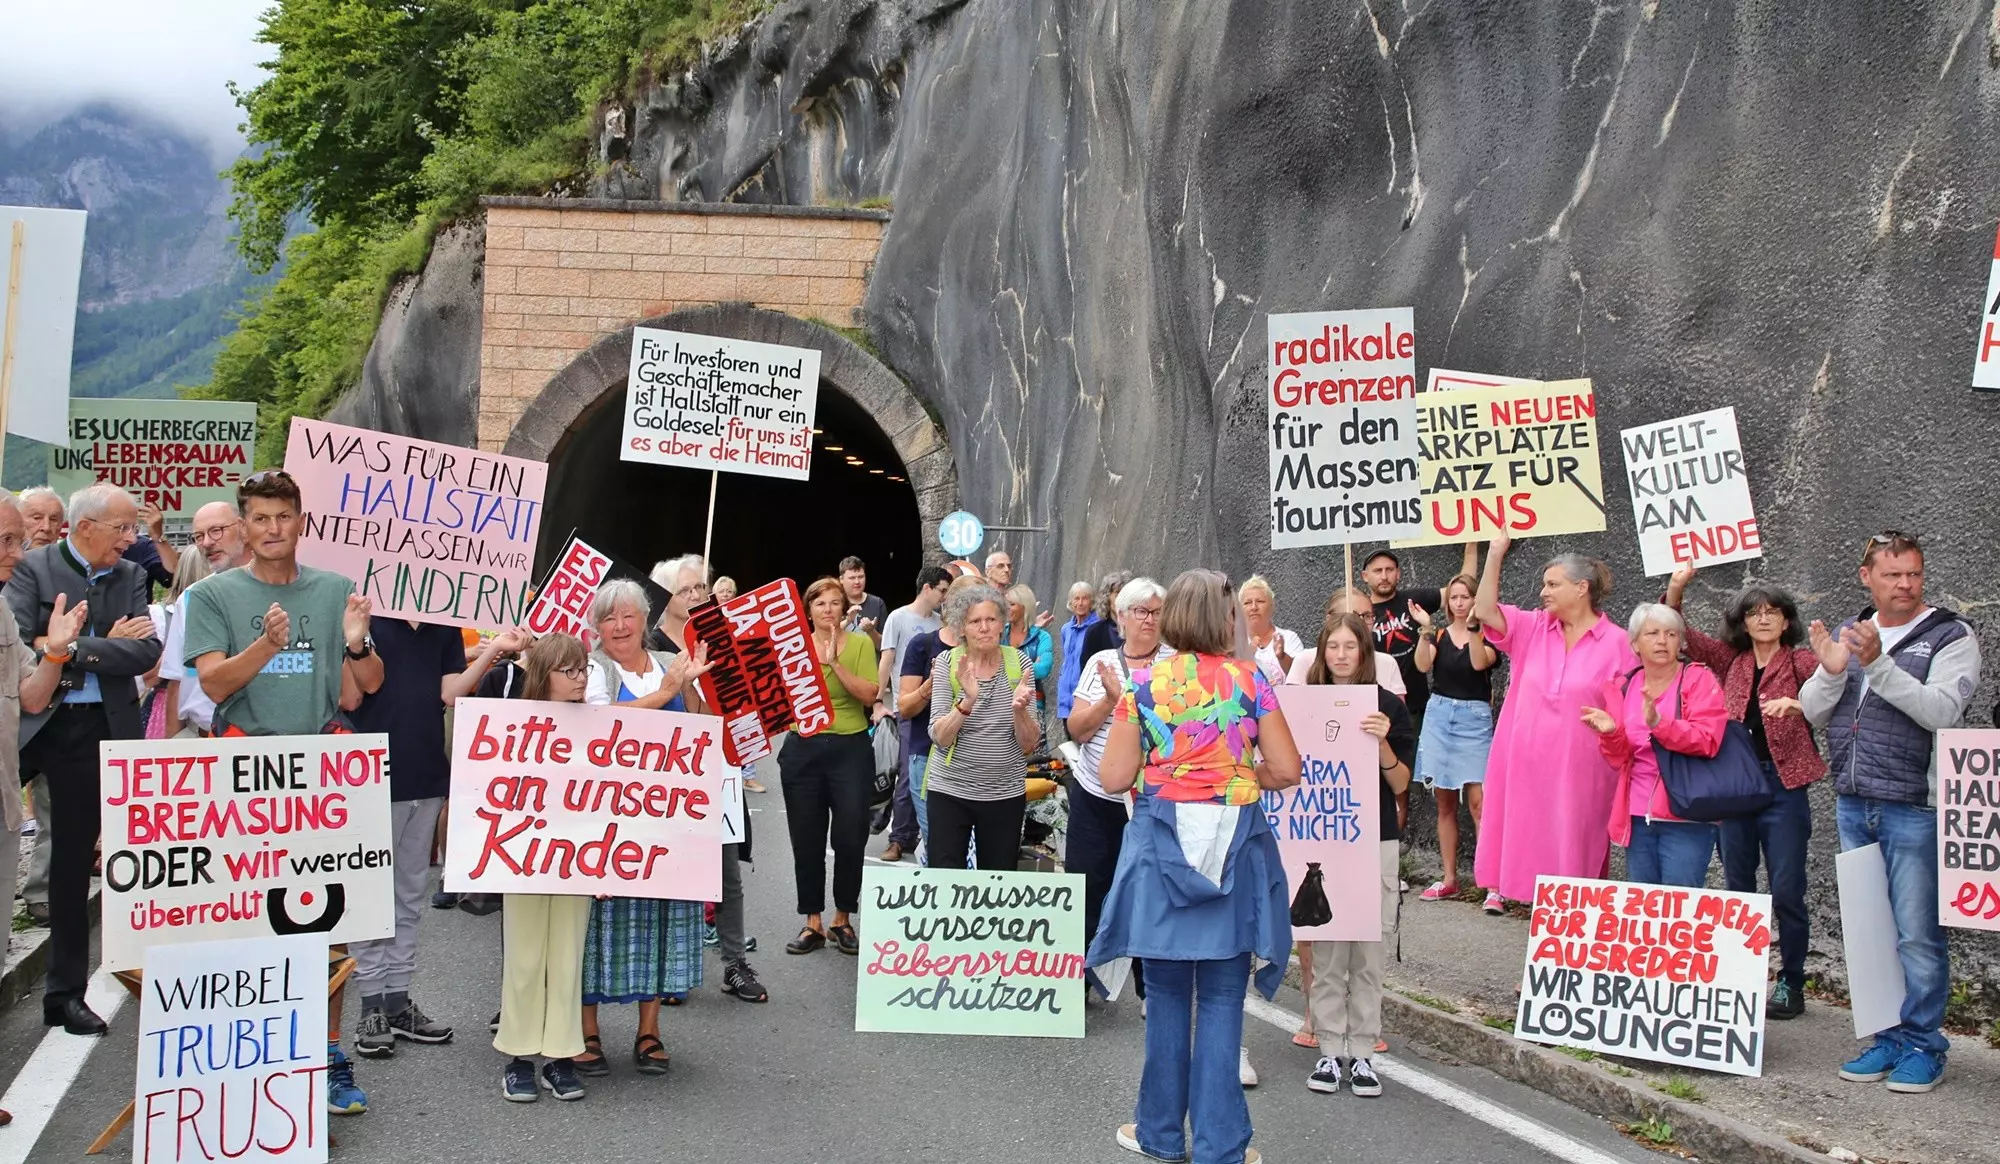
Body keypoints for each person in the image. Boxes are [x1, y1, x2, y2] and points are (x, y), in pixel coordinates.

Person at [183, 469, 383, 1115]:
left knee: (328, 920)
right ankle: (254, 1057)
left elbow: (362, 689)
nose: (272, 530)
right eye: (260, 518)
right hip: (244, 771)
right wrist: (266, 646)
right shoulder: (213, 594)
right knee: (246, 920)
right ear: (244, 526)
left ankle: (327, 1058)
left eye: (283, 517)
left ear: (302, 522)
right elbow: (213, 687)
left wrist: (358, 642)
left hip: (320, 772)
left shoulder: (332, 591)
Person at [1090, 569, 1301, 1164]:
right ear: (1226, 618)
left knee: (1164, 997)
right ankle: (1221, 1146)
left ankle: (1157, 1134)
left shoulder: (1143, 683)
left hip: (1162, 847)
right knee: (1222, 999)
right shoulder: (1251, 678)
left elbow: (1111, 778)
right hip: (1235, 845)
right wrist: (1230, 776)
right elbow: (1286, 770)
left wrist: (1177, 775)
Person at [1802, 531, 1980, 1094]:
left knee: (1918, 936)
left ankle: (1925, 1045)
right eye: (1893, 574)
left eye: (1914, 574)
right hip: (1855, 801)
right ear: (1866, 576)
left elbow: (1942, 712)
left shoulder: (1951, 635)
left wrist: (1876, 665)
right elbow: (1810, 712)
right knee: (1871, 933)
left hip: (1914, 807)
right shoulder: (1852, 632)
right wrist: (1832, 670)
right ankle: (1887, 1038)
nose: (1906, 584)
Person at [6, 484, 163, 1038]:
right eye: (121, 528)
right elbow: (23, 644)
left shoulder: (131, 575)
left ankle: (64, 995)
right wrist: (100, 644)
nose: (131, 539)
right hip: (30, 722)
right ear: (85, 526)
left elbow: (146, 651)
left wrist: (74, 646)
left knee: (72, 867)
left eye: (134, 528)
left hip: (96, 728)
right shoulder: (35, 567)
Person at [349, 613, 526, 1058]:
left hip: (426, 773)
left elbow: (450, 692)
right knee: (370, 896)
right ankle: (370, 1002)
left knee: (409, 893)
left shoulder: (443, 626)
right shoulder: (367, 621)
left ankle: (396, 998)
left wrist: (492, 649)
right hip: (370, 776)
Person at [1666, 564, 1824, 1019]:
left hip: (1782, 784)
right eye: (1755, 612)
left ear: (1787, 620)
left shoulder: (1800, 662)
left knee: (1788, 889)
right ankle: (1741, 978)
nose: (1764, 619)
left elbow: (1837, 684)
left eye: (1773, 612)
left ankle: (1791, 983)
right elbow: (1682, 634)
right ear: (1743, 621)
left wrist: (1803, 704)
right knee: (1738, 889)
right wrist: (1676, 589)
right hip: (1735, 786)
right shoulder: (1729, 661)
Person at [580, 578, 713, 1073]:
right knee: (595, 925)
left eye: (627, 615)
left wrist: (690, 685)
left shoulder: (667, 666)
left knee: (659, 921)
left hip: (663, 819)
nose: (618, 626)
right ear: (597, 627)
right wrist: (666, 693)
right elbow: (600, 721)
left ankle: (649, 1031)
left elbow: (698, 725)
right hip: (604, 819)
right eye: (609, 618)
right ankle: (587, 1031)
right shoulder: (593, 669)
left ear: (643, 621)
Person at [1470, 534, 1635, 915]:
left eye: (1552, 584)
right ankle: (1545, 967)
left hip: (1582, 774)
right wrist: (1495, 552)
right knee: (1534, 865)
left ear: (1582, 588)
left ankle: (1570, 963)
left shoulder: (1619, 643)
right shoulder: (1532, 628)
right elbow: (1484, 609)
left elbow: (1628, 710)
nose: (1543, 592)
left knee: (1575, 865)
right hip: (1525, 769)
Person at [1300, 613, 1413, 1100]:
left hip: (1376, 837)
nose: (1341, 655)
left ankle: (1363, 1053)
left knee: (1368, 953)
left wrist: (1382, 740)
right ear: (1322, 653)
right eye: (1333, 647)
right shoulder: (1303, 703)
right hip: (1325, 838)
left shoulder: (1388, 705)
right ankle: (1329, 1048)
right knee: (1327, 953)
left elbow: (1402, 783)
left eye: (1351, 647)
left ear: (1365, 652)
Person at [646, 554, 768, 1003]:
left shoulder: (721, 637)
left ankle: (735, 964)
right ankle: (674, 968)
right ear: (666, 596)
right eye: (686, 590)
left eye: (701, 587)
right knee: (674, 872)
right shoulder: (651, 643)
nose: (697, 595)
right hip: (667, 774)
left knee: (726, 874)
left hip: (718, 769)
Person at [0, 492, 80, 1129]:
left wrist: (55, 651)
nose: (17, 552)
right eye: (6, 540)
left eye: (16, 539)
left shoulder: (4, 609)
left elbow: (30, 698)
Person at [495, 633, 593, 1102]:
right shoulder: (513, 720)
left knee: (567, 956)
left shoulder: (599, 725)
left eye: (583, 669)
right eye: (569, 670)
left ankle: (559, 1057)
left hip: (579, 858)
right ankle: (517, 1058)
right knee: (526, 956)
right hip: (526, 857)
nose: (579, 679)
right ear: (543, 674)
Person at [1066, 577, 1169, 1000]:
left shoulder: (1176, 665)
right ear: (1121, 618)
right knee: (1086, 885)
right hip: (1095, 795)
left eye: (1156, 612)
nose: (1149, 620)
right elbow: (1077, 728)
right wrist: (1111, 701)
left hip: (1152, 799)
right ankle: (1078, 983)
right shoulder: (1101, 663)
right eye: (1140, 612)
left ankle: (1152, 989)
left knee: (1150, 891)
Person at [1580, 604, 1727, 886]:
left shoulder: (1698, 678)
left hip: (1686, 811)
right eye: (1653, 633)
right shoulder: (1623, 686)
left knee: (1679, 905)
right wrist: (1611, 733)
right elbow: (1619, 758)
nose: (1662, 640)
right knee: (1646, 910)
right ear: (1635, 643)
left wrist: (1659, 724)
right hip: (1636, 813)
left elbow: (1708, 739)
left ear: (1680, 642)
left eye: (1671, 634)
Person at [783, 576, 878, 955]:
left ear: (845, 608)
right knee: (805, 838)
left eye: (835, 603)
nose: (828, 610)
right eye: (820, 603)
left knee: (851, 835)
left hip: (850, 748)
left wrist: (833, 663)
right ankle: (812, 921)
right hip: (803, 748)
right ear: (808, 610)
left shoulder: (859, 645)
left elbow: (870, 695)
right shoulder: (792, 648)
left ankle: (843, 918)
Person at [925, 582, 1038, 871]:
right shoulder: (948, 664)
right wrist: (967, 700)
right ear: (962, 628)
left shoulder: (1020, 663)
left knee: (997, 878)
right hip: (950, 790)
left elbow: (1029, 744)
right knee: (945, 876)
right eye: (975, 621)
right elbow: (940, 738)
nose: (984, 627)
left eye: (991, 619)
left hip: (1004, 792)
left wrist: (1020, 711)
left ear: (1002, 624)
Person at [1412, 574, 1496, 902]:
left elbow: (1479, 663)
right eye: (1455, 598)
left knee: (1479, 804)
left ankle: (1491, 884)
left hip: (1474, 721)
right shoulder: (1441, 634)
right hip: (1439, 715)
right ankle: (1449, 878)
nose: (1459, 603)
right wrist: (1426, 629)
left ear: (1477, 599)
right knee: (1444, 803)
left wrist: (1475, 629)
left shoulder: (1489, 636)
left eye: (1466, 597)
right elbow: (1422, 665)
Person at [878, 565, 950, 861]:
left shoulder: (941, 622)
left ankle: (921, 834)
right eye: (942, 590)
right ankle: (898, 838)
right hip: (907, 705)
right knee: (909, 774)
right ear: (927, 588)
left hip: (941, 707)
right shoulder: (898, 617)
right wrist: (877, 700)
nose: (945, 597)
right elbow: (888, 658)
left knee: (932, 773)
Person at [1286, 588, 1406, 698]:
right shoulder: (1305, 660)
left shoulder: (1387, 663)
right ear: (1329, 620)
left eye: (1367, 616)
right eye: (1352, 616)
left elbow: (1398, 715)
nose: (1360, 623)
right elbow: (1292, 711)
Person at [1004, 582, 1055, 728]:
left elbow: (1043, 669)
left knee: (1033, 748)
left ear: (1024, 606)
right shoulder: (999, 633)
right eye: (1005, 604)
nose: (1007, 608)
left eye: (1012, 604)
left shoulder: (1042, 637)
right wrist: (1029, 666)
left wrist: (1005, 666)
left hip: (1032, 703)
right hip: (1000, 703)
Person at [1237, 576, 1302, 687]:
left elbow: (1301, 678)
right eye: (1247, 603)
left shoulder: (1289, 638)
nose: (1254, 607)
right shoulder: (1233, 643)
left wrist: (1282, 656)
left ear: (1272, 607)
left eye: (1260, 601)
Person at [1055, 581, 1100, 720]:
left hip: (1086, 698)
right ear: (1071, 602)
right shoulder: (1066, 629)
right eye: (1076, 598)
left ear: (1091, 602)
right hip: (1065, 699)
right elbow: (1067, 661)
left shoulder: (1097, 628)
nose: (1080, 603)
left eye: (1085, 598)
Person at [1078, 571, 1130, 665]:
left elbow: (1146, 668)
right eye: (1117, 593)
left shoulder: (1137, 629)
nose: (1122, 598)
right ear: (1106, 597)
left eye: (1126, 593)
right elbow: (1086, 670)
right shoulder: (1095, 632)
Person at [838, 555, 886, 641]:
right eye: (852, 578)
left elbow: (884, 646)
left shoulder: (877, 603)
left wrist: (871, 631)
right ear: (841, 579)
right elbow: (827, 638)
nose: (857, 582)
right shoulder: (835, 603)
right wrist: (847, 621)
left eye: (861, 577)